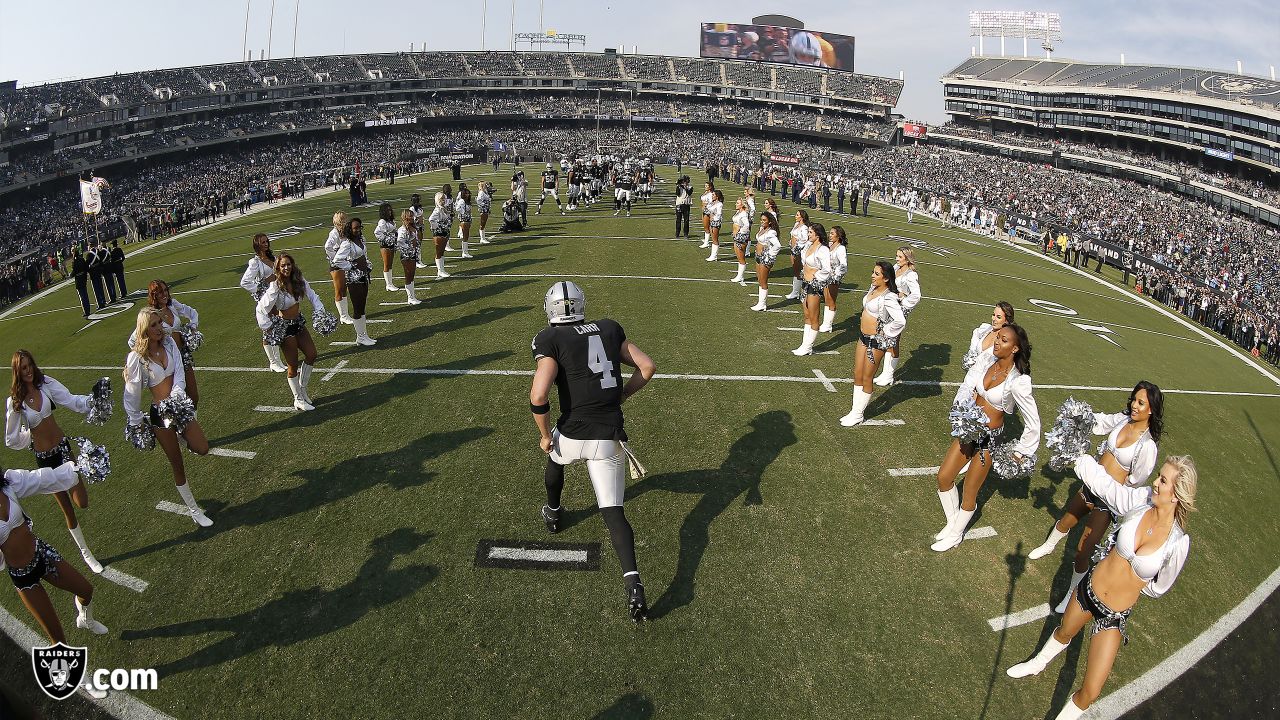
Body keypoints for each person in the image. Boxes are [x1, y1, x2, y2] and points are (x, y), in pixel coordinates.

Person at [1006, 456, 1196, 720]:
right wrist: (1081, 460)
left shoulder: (1178, 543)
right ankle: (1036, 664)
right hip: (1089, 590)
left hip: (1113, 616)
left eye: (1163, 480)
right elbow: (1109, 488)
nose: (1155, 482)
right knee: (1064, 632)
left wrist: (1129, 585)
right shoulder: (1141, 501)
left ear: (1176, 495)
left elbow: (1158, 587)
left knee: (1091, 691)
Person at [530, 281, 656, 621]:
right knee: (614, 512)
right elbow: (647, 367)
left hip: (572, 433)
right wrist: (624, 395)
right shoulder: (609, 328)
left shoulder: (550, 338)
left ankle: (554, 513)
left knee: (554, 453)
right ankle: (634, 585)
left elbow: (539, 395)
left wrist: (544, 435)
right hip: (609, 438)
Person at [1030, 382, 1163, 614]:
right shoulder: (1123, 420)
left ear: (1151, 409)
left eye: (1141, 403)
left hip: (1109, 500)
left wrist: (1113, 491)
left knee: (1084, 548)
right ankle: (1048, 546)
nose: (1134, 405)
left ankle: (1072, 593)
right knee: (1067, 519)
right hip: (1091, 484)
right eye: (1134, 399)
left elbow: (1136, 479)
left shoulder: (1148, 446)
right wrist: (1080, 416)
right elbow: (1100, 422)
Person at [930, 323, 1039, 551]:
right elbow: (970, 383)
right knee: (944, 477)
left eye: (1004, 340)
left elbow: (1033, 423)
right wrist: (960, 408)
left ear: (1016, 349)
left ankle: (956, 534)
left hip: (989, 440)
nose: (997, 342)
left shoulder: (1019, 382)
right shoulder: (988, 359)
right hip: (969, 429)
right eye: (998, 337)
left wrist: (1021, 451)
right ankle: (953, 524)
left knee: (970, 491)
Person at [6, 351, 104, 572]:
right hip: (45, 461)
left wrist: (93, 401)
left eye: (30, 365)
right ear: (17, 372)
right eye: (23, 368)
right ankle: (87, 555)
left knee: (82, 501)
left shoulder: (45, 383)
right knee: (68, 510)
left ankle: (86, 553)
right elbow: (11, 440)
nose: (29, 370)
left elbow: (70, 400)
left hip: (63, 450)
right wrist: (28, 436)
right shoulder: (15, 403)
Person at [123, 308, 213, 527]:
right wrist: (136, 422)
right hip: (159, 417)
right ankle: (194, 511)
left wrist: (176, 396)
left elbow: (180, 374)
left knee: (202, 448)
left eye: (159, 323)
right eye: (152, 325)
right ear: (144, 329)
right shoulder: (137, 358)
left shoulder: (170, 344)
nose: (158, 328)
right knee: (177, 464)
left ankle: (184, 438)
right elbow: (132, 395)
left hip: (178, 406)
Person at [2, 462, 109, 644]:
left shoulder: (7, 482)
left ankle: (85, 619)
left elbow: (40, 479)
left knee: (85, 590)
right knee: (57, 637)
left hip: (41, 552)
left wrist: (73, 469)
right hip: (24, 578)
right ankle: (65, 671)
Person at [839, 261, 906, 427]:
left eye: (876, 274)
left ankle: (858, 414)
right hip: (863, 337)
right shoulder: (873, 289)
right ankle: (854, 411)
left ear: (886, 278)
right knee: (857, 373)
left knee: (867, 377)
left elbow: (900, 321)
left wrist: (885, 332)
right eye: (873, 272)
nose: (872, 276)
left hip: (876, 342)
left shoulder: (889, 296)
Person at [257, 254, 327, 411]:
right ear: (278, 268)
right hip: (285, 328)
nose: (286, 268)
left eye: (288, 264)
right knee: (293, 365)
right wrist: (267, 326)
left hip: (299, 323)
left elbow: (312, 295)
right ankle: (298, 399)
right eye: (283, 266)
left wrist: (320, 310)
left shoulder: (298, 280)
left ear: (292, 265)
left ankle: (302, 389)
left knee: (312, 354)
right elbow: (261, 309)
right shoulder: (275, 286)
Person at [240, 233, 288, 373]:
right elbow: (245, 282)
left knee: (276, 326)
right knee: (268, 329)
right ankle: (273, 362)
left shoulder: (272, 258)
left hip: (276, 296)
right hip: (266, 299)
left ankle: (278, 360)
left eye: (267, 241)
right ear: (257, 245)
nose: (266, 244)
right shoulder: (255, 262)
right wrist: (262, 286)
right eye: (262, 242)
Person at [876, 248, 922, 386]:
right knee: (886, 339)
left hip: (899, 311)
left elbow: (916, 295)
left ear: (907, 259)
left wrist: (903, 301)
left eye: (900, 257)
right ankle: (884, 373)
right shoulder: (896, 267)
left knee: (893, 341)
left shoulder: (911, 275)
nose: (896, 259)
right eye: (896, 256)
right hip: (890, 306)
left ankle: (889, 375)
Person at [334, 218, 377, 346]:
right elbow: (337, 260)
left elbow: (364, 255)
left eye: (359, 227)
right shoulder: (347, 243)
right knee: (358, 307)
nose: (358, 230)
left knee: (362, 306)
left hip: (363, 276)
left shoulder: (361, 239)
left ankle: (364, 335)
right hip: (354, 279)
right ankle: (360, 337)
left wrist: (366, 265)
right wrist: (351, 266)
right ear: (350, 230)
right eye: (355, 228)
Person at [792, 223, 832, 356]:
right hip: (806, 283)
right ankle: (804, 345)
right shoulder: (809, 245)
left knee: (814, 317)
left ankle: (808, 347)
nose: (808, 234)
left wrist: (815, 277)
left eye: (810, 232)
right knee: (807, 315)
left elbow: (827, 269)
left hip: (814, 285)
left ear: (818, 234)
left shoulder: (823, 250)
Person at [962, 302, 1015, 370]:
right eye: (993, 315)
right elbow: (972, 351)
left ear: (1006, 321)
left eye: (998, 317)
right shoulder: (984, 330)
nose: (994, 319)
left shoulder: (1007, 342)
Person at [325, 212, 354, 324]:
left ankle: (345, 314)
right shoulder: (334, 233)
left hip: (344, 262)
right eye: (344, 220)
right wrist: (334, 258)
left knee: (344, 288)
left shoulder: (344, 232)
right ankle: (343, 316)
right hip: (336, 264)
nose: (346, 221)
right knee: (339, 289)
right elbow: (328, 246)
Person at [749, 211, 781, 311]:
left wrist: (770, 255)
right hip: (758, 256)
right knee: (759, 279)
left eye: (764, 220)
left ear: (770, 222)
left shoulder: (771, 232)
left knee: (763, 281)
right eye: (761, 220)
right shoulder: (762, 229)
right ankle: (760, 303)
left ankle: (762, 304)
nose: (762, 222)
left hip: (765, 257)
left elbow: (777, 245)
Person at [818, 226, 848, 332]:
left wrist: (836, 275)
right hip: (826, 275)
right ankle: (825, 323)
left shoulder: (841, 248)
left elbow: (844, 265)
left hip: (834, 278)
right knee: (826, 299)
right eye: (829, 233)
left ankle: (828, 325)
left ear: (838, 236)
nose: (829, 235)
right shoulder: (830, 245)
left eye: (832, 233)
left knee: (831, 300)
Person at [394, 209, 424, 305]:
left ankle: (412, 296)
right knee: (408, 275)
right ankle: (410, 298)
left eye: (412, 216)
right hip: (406, 256)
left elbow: (417, 237)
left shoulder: (412, 227)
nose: (411, 218)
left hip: (413, 253)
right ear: (405, 217)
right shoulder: (402, 229)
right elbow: (399, 242)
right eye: (409, 216)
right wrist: (411, 244)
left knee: (412, 275)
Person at [426, 186, 453, 280]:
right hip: (439, 234)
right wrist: (439, 227)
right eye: (441, 199)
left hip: (444, 232)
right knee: (439, 252)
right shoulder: (437, 210)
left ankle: (441, 269)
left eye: (444, 199)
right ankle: (440, 270)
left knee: (441, 252)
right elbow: (431, 219)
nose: (444, 200)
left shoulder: (443, 209)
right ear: (437, 200)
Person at [784, 210, 811, 300]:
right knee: (795, 270)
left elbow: (804, 239)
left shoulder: (804, 228)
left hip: (798, 251)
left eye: (797, 215)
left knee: (799, 271)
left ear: (802, 217)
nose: (795, 216)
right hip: (793, 250)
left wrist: (796, 246)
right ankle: (795, 292)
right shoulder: (796, 224)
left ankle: (798, 292)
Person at [374, 203, 401, 292]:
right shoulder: (382, 221)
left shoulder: (390, 220)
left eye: (390, 210)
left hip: (392, 244)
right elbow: (377, 232)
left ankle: (390, 283)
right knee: (387, 264)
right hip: (385, 246)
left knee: (390, 264)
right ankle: (388, 284)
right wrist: (386, 239)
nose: (389, 212)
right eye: (387, 210)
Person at [728, 199, 752, 285]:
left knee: (741, 258)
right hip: (737, 236)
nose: (736, 204)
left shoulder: (744, 214)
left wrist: (739, 233)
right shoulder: (739, 212)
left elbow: (747, 225)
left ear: (742, 205)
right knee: (739, 257)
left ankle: (740, 276)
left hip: (740, 237)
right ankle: (739, 275)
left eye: (737, 203)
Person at [704, 190, 725, 262]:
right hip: (712, 221)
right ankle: (712, 255)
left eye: (713, 195)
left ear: (717, 196)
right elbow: (708, 208)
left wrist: (714, 217)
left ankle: (714, 256)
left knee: (714, 239)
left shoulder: (719, 204)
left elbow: (719, 214)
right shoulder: (713, 203)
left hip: (716, 222)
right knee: (713, 238)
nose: (712, 196)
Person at [86, 242, 107, 310]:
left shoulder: (89, 255)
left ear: (89, 246)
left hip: (93, 273)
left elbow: (87, 265)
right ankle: (103, 300)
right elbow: (100, 261)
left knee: (96, 289)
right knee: (100, 287)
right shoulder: (97, 251)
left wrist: (89, 271)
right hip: (98, 271)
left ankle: (100, 303)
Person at [71, 246, 91, 317]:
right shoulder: (82, 259)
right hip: (83, 278)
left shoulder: (74, 261)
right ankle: (88, 309)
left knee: (82, 296)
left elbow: (74, 271)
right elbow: (86, 268)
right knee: (85, 294)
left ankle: (86, 311)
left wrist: (71, 275)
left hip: (79, 279)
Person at [455, 185, 475, 259]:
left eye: (468, 193)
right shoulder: (462, 201)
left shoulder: (467, 201)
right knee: (465, 236)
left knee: (466, 236)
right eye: (466, 193)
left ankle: (465, 252)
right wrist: (463, 213)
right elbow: (457, 208)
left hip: (468, 219)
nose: (468, 194)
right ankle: (464, 252)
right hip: (464, 220)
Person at [699, 182, 716, 248]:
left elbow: (712, 202)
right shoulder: (706, 193)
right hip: (704, 210)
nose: (705, 186)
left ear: (710, 187)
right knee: (705, 226)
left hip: (708, 211)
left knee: (707, 227)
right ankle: (707, 241)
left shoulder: (711, 194)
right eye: (705, 185)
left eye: (707, 186)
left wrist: (706, 205)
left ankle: (707, 242)